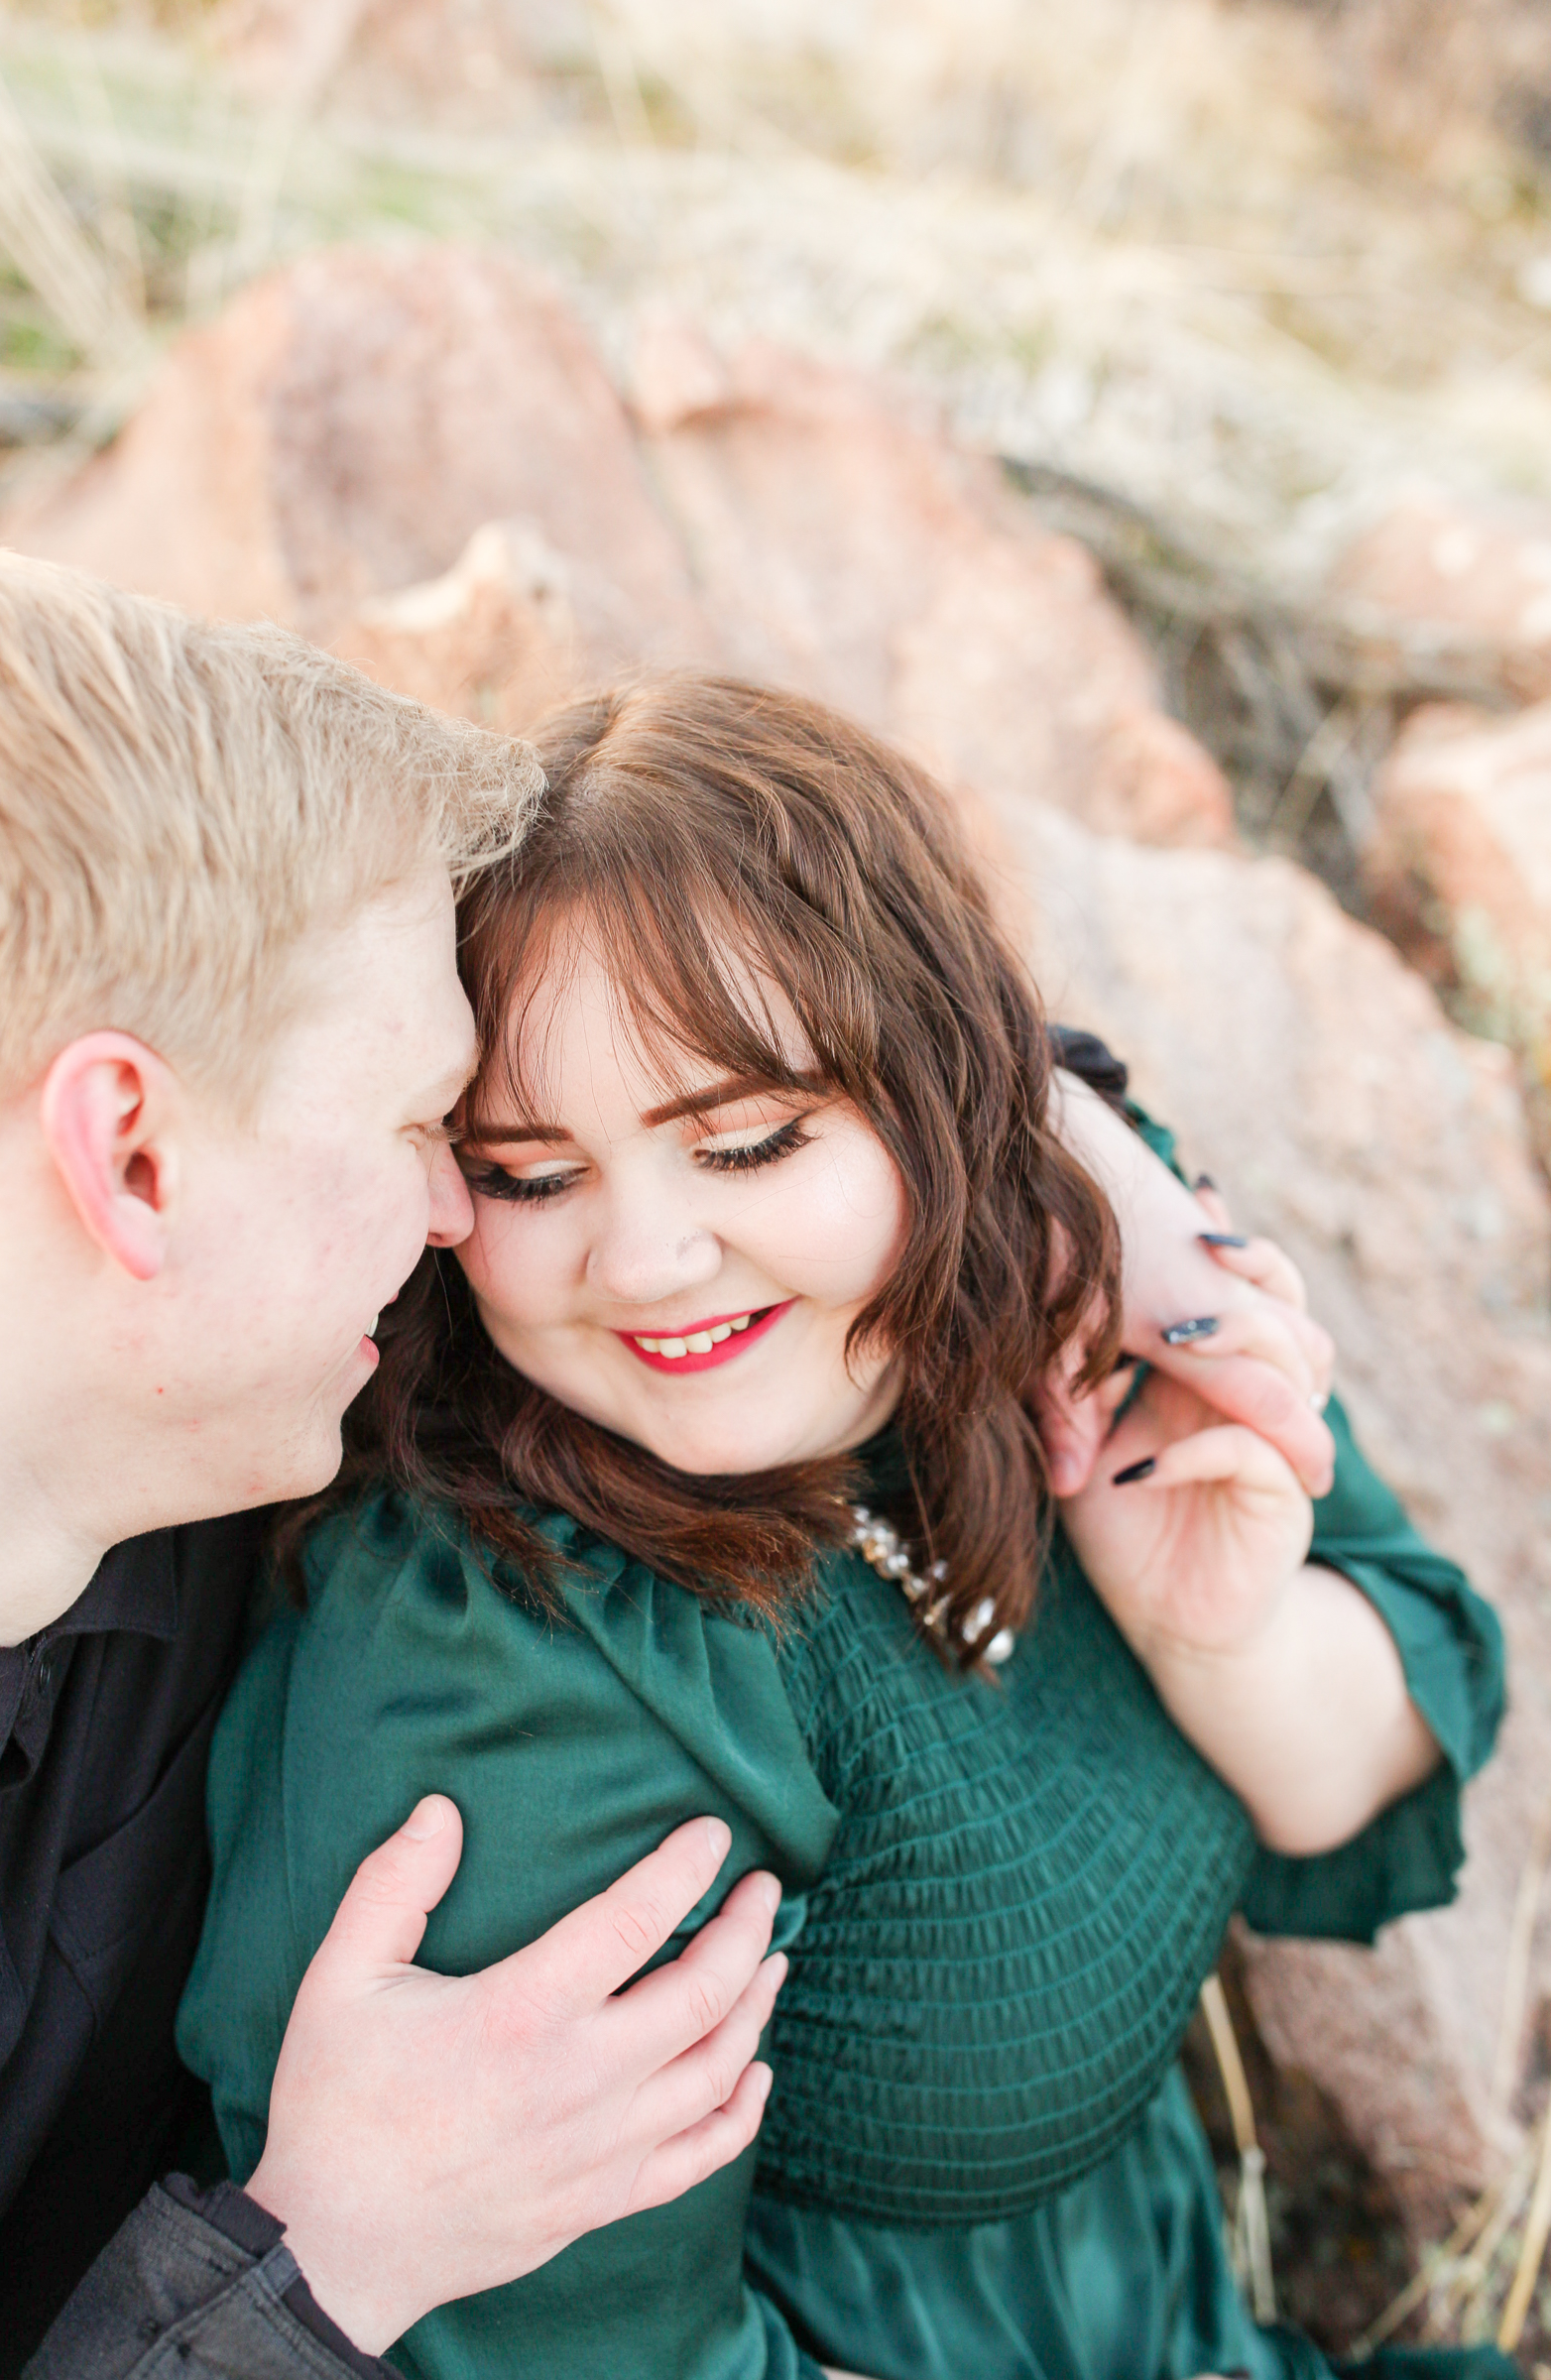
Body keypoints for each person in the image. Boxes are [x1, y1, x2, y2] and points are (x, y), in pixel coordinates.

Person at [180, 675, 1507, 2380]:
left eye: (745, 1144)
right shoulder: (508, 1653)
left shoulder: (1066, 1296)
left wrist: (1214, 1636)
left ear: (941, 1095)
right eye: (528, 1174)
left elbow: (1398, 1692)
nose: (647, 1260)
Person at [0, 555, 794, 2380]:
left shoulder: (186, 1444)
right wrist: (316, 2266)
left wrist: (1068, 1156)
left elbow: (743, 1082)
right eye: (427, 1123)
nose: (449, 1215)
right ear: (135, 1157)